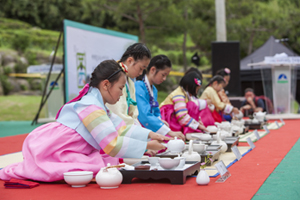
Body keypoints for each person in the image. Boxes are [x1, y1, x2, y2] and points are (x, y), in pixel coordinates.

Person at [0, 60, 169, 182]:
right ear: (105, 85)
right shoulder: (91, 106)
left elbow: (121, 128)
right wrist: (147, 145)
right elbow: (111, 144)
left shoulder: (97, 103)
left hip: (66, 145)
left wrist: (150, 135)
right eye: (119, 88)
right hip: (54, 147)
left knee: (100, 165)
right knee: (95, 166)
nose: (120, 93)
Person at [135, 55, 185, 140]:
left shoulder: (154, 90)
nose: (164, 78)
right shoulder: (138, 86)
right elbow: (144, 115)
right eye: (163, 75)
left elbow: (155, 112)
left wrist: (160, 121)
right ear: (153, 70)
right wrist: (169, 132)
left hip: (149, 127)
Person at [106, 43, 151, 126]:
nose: (141, 73)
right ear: (130, 61)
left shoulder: (130, 81)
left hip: (124, 126)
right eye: (140, 68)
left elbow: (133, 114)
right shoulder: (113, 75)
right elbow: (116, 114)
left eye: (143, 70)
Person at [160, 71, 214, 135]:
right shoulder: (179, 95)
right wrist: (198, 126)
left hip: (175, 119)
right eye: (196, 89)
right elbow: (182, 116)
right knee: (192, 105)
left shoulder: (185, 95)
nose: (196, 93)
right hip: (167, 120)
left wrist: (198, 122)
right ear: (190, 86)